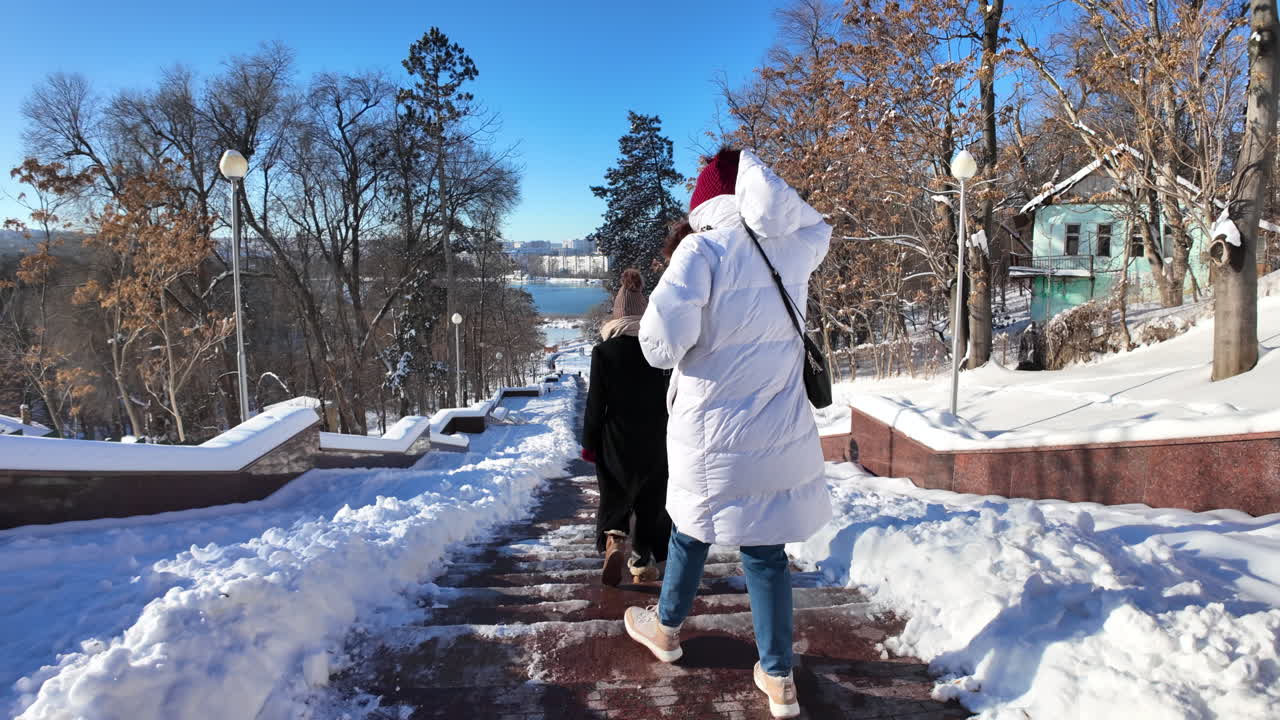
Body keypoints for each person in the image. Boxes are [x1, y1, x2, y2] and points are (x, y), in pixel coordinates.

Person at [622, 148, 831, 719]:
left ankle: (665, 630)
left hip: (711, 431)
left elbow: (660, 346)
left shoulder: (701, 249)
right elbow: (816, 229)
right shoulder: (787, 250)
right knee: (765, 553)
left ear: (705, 199)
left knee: (691, 529)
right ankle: (779, 677)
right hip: (777, 428)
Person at [581, 268, 673, 586]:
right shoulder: (661, 353)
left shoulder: (603, 352)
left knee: (614, 493)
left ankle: (614, 539)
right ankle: (643, 561)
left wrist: (589, 442)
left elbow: (596, 403)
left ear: (616, 316)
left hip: (615, 439)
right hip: (657, 438)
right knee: (652, 500)